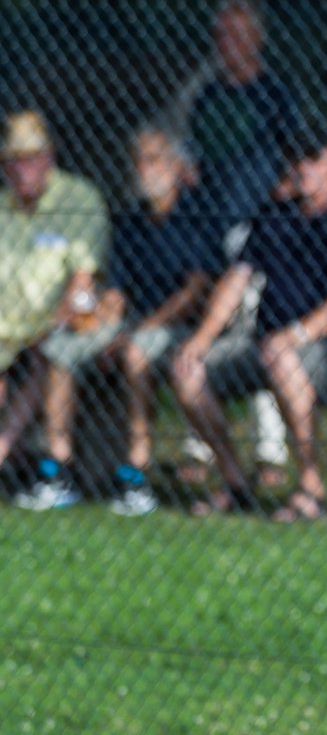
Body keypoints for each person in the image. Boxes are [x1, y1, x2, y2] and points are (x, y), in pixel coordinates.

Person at [171, 130, 327, 519]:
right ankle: (235, 482)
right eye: (295, 159)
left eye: (312, 159)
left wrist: (295, 336)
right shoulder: (273, 214)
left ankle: (309, 488)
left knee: (283, 359)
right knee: (186, 368)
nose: (302, 168)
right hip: (265, 344)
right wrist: (200, 340)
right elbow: (236, 281)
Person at [16, 127, 224, 514]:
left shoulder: (198, 213)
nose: (143, 169)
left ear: (178, 167)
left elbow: (195, 291)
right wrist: (95, 320)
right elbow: (115, 290)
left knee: (135, 352)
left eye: (153, 159)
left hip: (178, 328)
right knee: (60, 349)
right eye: (138, 161)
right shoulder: (131, 221)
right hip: (131, 323)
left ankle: (137, 471)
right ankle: (57, 466)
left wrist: (138, 329)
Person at [0, 110, 108, 505]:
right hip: (4, 330)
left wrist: (57, 321)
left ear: (48, 158)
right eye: (13, 159)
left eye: (30, 157)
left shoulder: (79, 199)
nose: (21, 167)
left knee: (51, 350)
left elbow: (84, 282)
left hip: (52, 325)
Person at [174, 0, 300, 232]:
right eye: (221, 34)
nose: (228, 42)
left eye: (237, 34)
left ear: (257, 39)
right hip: (207, 206)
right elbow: (193, 148)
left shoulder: (276, 93)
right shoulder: (208, 93)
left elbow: (291, 150)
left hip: (257, 209)